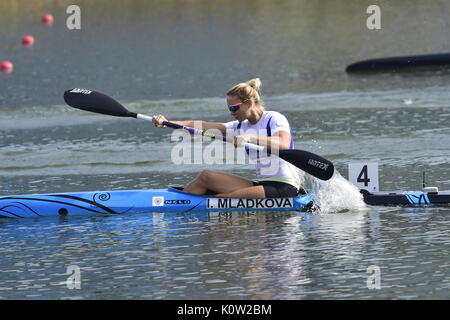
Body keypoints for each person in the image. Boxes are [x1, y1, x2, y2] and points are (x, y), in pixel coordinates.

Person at [152, 78, 302, 198]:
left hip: (284, 187)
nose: (231, 112)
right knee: (206, 176)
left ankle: (183, 207)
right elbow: (199, 126)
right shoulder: (239, 126)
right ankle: (179, 204)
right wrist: (168, 123)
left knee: (221, 198)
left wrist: (249, 137)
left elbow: (283, 144)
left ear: (248, 102)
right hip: (263, 184)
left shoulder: (273, 118)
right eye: (229, 108)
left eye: (233, 107)